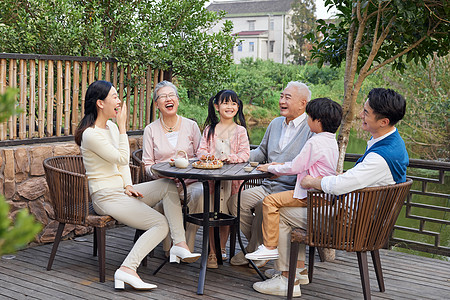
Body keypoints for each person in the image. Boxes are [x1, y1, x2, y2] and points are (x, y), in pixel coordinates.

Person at [252, 88, 409, 297]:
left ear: (383, 121)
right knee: (289, 208)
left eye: (366, 112)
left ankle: (286, 278)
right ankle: (298, 270)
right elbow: (354, 179)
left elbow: (340, 186)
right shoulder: (393, 145)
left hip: (352, 223)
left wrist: (312, 181)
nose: (361, 115)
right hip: (367, 221)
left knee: (281, 214)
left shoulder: (381, 157)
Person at [75, 80, 200, 291]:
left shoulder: (111, 127)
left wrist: (128, 184)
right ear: (100, 103)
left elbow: (121, 166)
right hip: (105, 196)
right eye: (114, 97)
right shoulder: (91, 134)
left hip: (120, 191)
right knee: (160, 224)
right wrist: (124, 128)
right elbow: (122, 158)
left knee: (167, 185)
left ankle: (179, 244)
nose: (119, 101)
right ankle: (127, 269)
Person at [228, 81, 314, 269]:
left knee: (262, 207)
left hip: (291, 190)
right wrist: (235, 156)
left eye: (287, 98)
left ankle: (256, 251)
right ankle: (258, 247)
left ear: (303, 103)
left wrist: (277, 168)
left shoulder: (311, 128)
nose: (281, 100)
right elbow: (261, 152)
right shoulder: (275, 123)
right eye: (281, 96)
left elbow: (308, 164)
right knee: (235, 202)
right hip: (268, 185)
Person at [245, 98, 342, 262]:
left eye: (309, 117)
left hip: (309, 195)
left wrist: (271, 168)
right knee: (271, 202)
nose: (307, 120)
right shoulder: (331, 141)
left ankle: (269, 247)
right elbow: (300, 164)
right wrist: (279, 164)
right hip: (321, 195)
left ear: (317, 121)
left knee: (269, 202)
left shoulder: (315, 141)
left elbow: (295, 167)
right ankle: (292, 265)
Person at [142, 80, 203, 253]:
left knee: (202, 193)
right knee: (163, 202)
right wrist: (159, 174)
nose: (168, 99)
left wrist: (188, 168)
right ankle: (172, 245)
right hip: (164, 184)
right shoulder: (150, 130)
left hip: (190, 183)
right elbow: (147, 164)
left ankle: (188, 240)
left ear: (178, 100)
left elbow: (200, 157)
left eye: (172, 95)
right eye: (163, 97)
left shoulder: (191, 126)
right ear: (156, 104)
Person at [197, 89, 250, 268]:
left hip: (232, 182)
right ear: (217, 106)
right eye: (226, 103)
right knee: (212, 215)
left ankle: (221, 248)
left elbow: (245, 154)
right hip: (212, 181)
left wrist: (230, 158)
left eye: (234, 103)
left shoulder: (240, 131)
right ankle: (212, 252)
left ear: (238, 107)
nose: (230, 106)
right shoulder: (210, 129)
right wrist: (207, 157)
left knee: (226, 215)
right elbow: (201, 151)